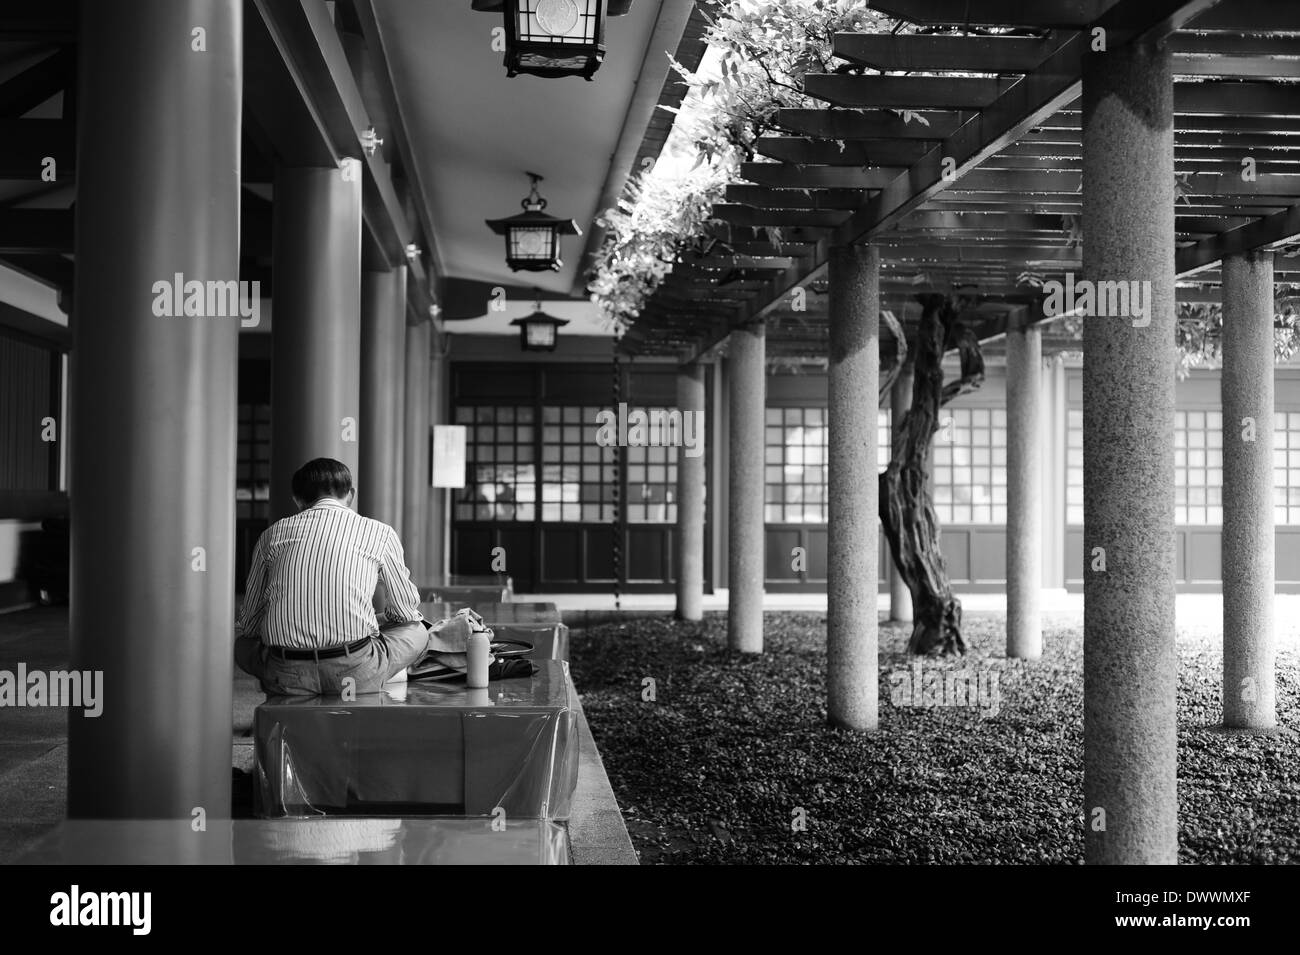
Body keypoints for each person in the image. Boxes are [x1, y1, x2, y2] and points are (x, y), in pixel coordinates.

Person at [234, 458, 428, 697]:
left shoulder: (271, 535)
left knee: (242, 645)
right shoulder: (380, 533)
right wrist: (377, 621)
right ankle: (380, 679)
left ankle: (282, 686)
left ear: (297, 499)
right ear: (351, 494)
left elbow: (251, 623)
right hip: (356, 671)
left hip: (288, 673)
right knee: (417, 631)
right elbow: (405, 611)